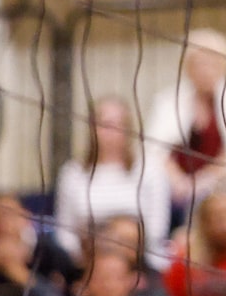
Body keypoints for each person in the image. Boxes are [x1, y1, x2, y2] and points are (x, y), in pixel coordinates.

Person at [148, 31, 226, 209]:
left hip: (220, 182)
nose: (205, 70)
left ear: (224, 66)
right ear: (187, 67)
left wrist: (200, 182)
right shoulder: (168, 101)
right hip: (174, 185)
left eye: (212, 63)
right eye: (199, 63)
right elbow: (157, 151)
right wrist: (179, 181)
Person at [56, 97, 173, 272]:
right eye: (105, 124)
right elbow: (64, 230)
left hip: (141, 263)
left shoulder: (150, 170)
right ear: (91, 128)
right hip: (86, 264)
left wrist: (121, 246)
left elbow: (156, 230)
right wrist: (84, 257)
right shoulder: (73, 173)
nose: (111, 132)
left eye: (119, 125)